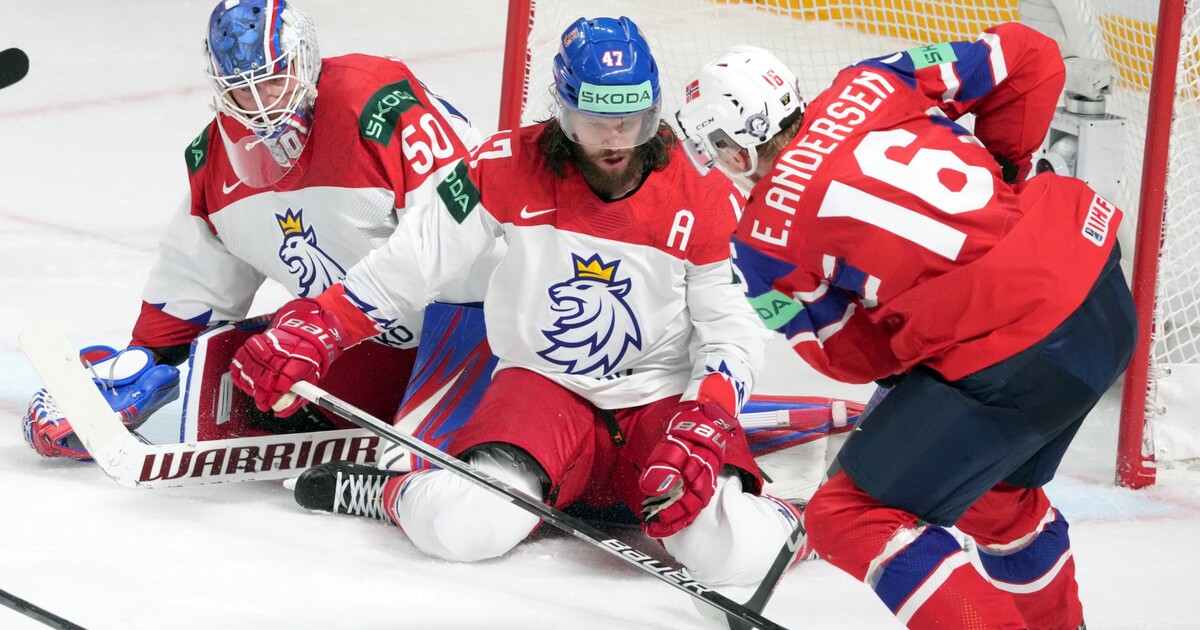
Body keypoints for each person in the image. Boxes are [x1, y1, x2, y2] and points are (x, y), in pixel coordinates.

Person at [231, 16, 808, 587]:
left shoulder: (705, 194)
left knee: (729, 553)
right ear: (563, 111)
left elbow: (732, 331)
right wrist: (323, 326)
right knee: (465, 528)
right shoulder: (502, 164)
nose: (615, 141)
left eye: (629, 121)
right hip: (542, 389)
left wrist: (705, 418)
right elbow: (414, 260)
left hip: (660, 396)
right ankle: (390, 493)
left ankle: (805, 524)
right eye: (595, 122)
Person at [675, 25, 1135, 629]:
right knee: (994, 497)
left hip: (1012, 357)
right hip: (1100, 294)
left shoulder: (759, 243)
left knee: (846, 516)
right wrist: (1003, 171)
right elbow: (1033, 58)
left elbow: (852, 359)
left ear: (735, 150)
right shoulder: (872, 80)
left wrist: (905, 332)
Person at [22, 0, 490, 459]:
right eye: (244, 90)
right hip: (375, 341)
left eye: (273, 80)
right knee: (256, 380)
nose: (264, 106)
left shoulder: (375, 99)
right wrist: (144, 365)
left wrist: (327, 324)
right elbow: (196, 274)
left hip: (486, 327)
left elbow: (455, 233)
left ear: (304, 60)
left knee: (433, 467)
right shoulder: (216, 157)